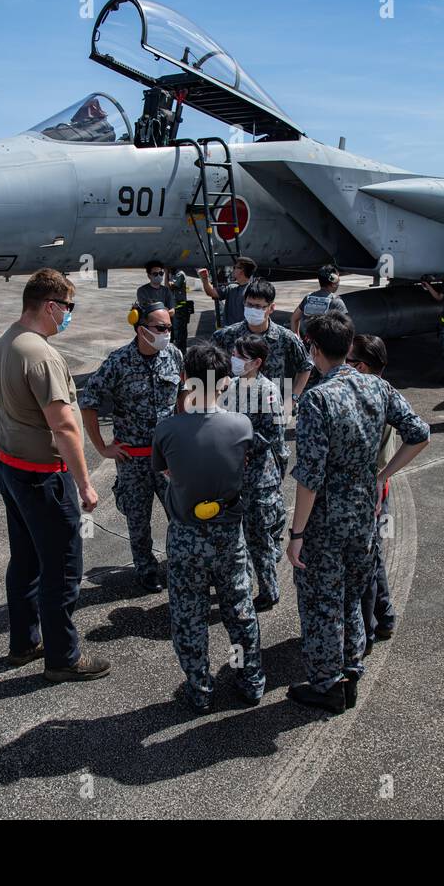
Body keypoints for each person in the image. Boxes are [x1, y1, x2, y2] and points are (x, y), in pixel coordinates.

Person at [286, 312, 430, 714]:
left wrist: (297, 534)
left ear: (314, 348)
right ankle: (350, 669)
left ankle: (327, 684)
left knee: (320, 603)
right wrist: (383, 472)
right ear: (348, 347)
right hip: (364, 512)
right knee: (352, 593)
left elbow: (310, 476)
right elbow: (420, 433)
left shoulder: (317, 398)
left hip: (327, 521)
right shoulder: (375, 386)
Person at [0, 268, 111, 682]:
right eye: (68, 308)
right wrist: (85, 483)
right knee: (62, 567)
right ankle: (63, 657)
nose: (69, 316)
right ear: (50, 306)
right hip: (42, 477)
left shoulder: (9, 340)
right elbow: (64, 427)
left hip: (9, 467)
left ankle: (24, 643)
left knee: (25, 559)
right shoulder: (41, 355)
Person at [152, 343, 265, 713]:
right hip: (228, 536)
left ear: (185, 380)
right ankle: (249, 680)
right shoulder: (241, 425)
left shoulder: (167, 429)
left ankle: (200, 688)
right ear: (226, 384)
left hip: (186, 535)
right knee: (239, 612)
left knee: (189, 616)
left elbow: (165, 472)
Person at [78, 302, 184, 593]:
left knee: (181, 515)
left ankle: (180, 565)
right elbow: (88, 402)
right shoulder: (118, 362)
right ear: (141, 329)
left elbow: (184, 394)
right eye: (161, 328)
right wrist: (102, 447)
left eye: (169, 328)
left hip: (168, 459)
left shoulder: (174, 355)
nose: (167, 334)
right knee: (138, 522)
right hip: (132, 460)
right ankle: (146, 570)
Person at [224, 334, 288, 612]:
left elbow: (272, 435)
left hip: (259, 479)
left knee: (259, 539)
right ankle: (243, 581)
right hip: (233, 475)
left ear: (257, 362)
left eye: (240, 357)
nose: (234, 360)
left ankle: (269, 590)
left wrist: (240, 444)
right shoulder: (232, 386)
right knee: (237, 537)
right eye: (234, 354)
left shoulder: (268, 391)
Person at [347, 334, 398, 651]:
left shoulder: (369, 399)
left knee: (364, 562)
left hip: (370, 490)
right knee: (374, 555)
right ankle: (385, 617)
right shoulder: (387, 391)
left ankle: (364, 634)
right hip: (380, 485)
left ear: (362, 366)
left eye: (350, 361)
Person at [210, 277, 312, 407]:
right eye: (249, 305)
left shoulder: (286, 338)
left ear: (271, 308)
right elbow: (209, 368)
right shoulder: (226, 336)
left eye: (258, 306)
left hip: (271, 410)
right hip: (235, 410)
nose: (252, 310)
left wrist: (293, 398)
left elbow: (305, 366)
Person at [200, 255, 257, 329]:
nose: (233, 269)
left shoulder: (253, 292)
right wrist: (205, 279)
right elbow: (211, 292)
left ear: (242, 271)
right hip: (229, 333)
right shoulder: (231, 288)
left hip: (243, 334)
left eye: (235, 267)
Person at [290, 264, 349, 336]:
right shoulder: (336, 301)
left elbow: (294, 318)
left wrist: (297, 339)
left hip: (309, 344)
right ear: (333, 282)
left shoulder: (308, 298)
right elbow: (346, 328)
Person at [168, 267, 193, 349]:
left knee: (180, 333)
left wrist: (166, 276)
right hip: (176, 307)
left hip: (181, 309)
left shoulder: (180, 274)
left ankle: (181, 351)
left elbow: (172, 286)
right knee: (174, 332)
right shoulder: (172, 274)